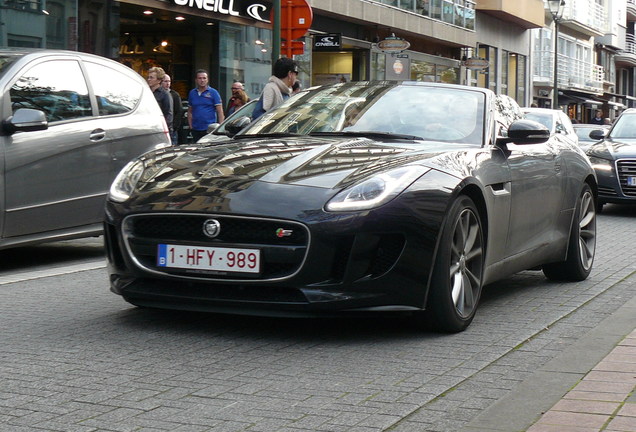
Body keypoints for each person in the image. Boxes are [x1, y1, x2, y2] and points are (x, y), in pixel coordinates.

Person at [187, 69, 224, 142]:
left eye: (204, 78)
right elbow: (189, 111)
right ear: (196, 80)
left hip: (209, 129)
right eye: (200, 78)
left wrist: (220, 127)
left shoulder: (213, 92)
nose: (202, 80)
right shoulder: (192, 93)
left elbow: (220, 112)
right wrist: (191, 126)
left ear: (207, 80)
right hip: (196, 129)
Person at [147, 67, 173, 132]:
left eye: (151, 77)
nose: (149, 79)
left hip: (159, 129)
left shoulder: (165, 94)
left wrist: (163, 129)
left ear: (159, 80)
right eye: (148, 77)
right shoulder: (147, 92)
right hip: (148, 127)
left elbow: (169, 114)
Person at [162, 74, 182, 145]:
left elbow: (179, 111)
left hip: (172, 128)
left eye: (169, 81)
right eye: (165, 81)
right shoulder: (157, 94)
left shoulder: (175, 95)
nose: (168, 83)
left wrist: (175, 127)